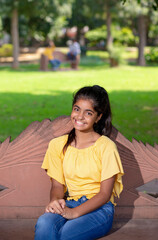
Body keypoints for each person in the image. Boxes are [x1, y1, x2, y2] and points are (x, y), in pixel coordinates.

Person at [34, 85, 124, 240]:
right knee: (44, 222)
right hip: (69, 203)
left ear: (98, 117)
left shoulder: (106, 147)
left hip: (99, 210)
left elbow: (104, 194)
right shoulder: (58, 145)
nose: (80, 116)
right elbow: (57, 186)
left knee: (65, 234)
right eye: (77, 109)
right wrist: (55, 202)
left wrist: (74, 213)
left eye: (88, 113)